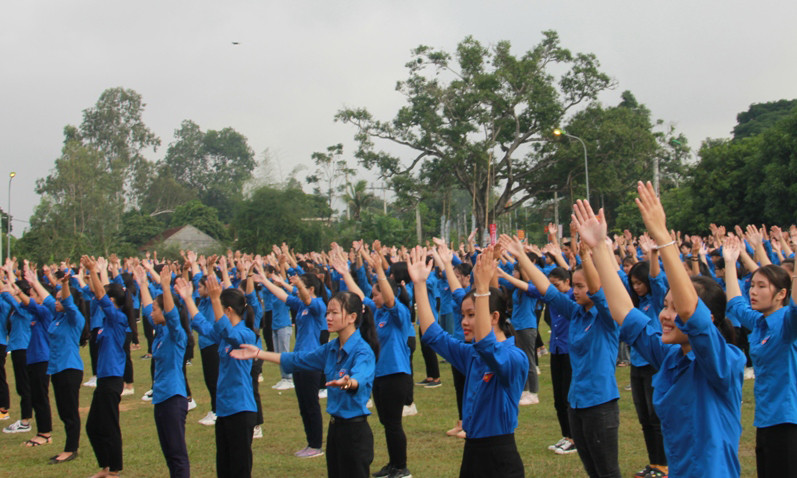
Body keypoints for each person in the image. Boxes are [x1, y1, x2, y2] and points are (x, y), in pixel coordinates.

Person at [571, 186, 744, 477]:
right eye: (665, 306)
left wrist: (663, 237)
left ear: (709, 319)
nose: (665, 315)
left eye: (674, 308)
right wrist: (600, 248)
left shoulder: (724, 361)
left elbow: (690, 313)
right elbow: (625, 313)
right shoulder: (672, 356)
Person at [500, 233, 621, 478]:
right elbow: (547, 291)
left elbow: (599, 292)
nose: (574, 291)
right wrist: (522, 256)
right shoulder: (576, 313)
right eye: (573, 285)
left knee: (607, 471)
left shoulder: (606, 317)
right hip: (577, 403)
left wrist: (586, 255)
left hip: (600, 404)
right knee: (592, 469)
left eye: (580, 286)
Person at [232, 290, 380, 478]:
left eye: (334, 313)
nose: (328, 317)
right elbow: (297, 359)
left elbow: (361, 376)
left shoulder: (362, 351)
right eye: (327, 312)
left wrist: (349, 382)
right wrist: (259, 353)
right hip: (336, 430)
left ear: (352, 317)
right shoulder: (331, 348)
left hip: (355, 433)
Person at [411, 245, 527, 478]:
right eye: (463, 315)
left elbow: (488, 345)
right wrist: (420, 284)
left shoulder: (514, 358)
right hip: (473, 452)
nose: (464, 322)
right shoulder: (471, 353)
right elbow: (432, 334)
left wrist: (483, 287)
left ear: (494, 317)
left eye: (471, 315)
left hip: (499, 457)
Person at [723, 228, 797, 477]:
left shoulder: (788, 322)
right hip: (765, 419)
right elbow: (735, 302)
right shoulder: (759, 322)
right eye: (752, 285)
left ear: (781, 294)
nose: (753, 291)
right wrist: (730, 262)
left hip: (788, 421)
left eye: (761, 286)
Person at [188, 273, 257, 478]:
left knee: (239, 468)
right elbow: (202, 325)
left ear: (227, 310)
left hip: (241, 409)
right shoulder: (224, 334)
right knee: (224, 467)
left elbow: (228, 333)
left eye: (219, 308)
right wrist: (186, 298)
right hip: (225, 410)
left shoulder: (246, 335)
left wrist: (215, 299)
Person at [257, 269, 326, 458]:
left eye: (301, 286)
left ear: (311, 288)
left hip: (311, 361)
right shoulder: (301, 305)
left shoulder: (317, 305)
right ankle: (310, 443)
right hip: (298, 359)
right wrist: (265, 280)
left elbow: (306, 297)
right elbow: (282, 296)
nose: (296, 289)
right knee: (303, 405)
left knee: (311, 404)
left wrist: (298, 285)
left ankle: (316, 445)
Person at [137, 266, 189, 478]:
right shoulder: (160, 332)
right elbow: (150, 306)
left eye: (156, 310)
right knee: (168, 453)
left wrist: (166, 288)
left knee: (177, 454)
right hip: (161, 398)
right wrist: (142, 283)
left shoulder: (176, 334)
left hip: (173, 397)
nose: (151, 312)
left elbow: (172, 316)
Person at [365, 251, 413, 478]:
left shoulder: (398, 313)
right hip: (380, 374)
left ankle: (401, 467)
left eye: (376, 295)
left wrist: (380, 273)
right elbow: (360, 298)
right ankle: (393, 464)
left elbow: (390, 298)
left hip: (396, 374)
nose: (373, 298)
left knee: (393, 423)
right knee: (386, 422)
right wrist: (346, 273)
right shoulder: (378, 314)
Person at [82, 255, 129, 478]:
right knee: (93, 427)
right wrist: (92, 274)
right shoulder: (107, 322)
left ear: (113, 301)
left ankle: (114, 471)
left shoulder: (118, 319)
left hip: (112, 379)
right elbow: (98, 293)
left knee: (110, 425)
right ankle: (105, 467)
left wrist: (94, 270)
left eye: (106, 300)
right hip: (103, 379)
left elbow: (100, 295)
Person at [47, 271, 85, 464]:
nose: (56, 302)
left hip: (70, 369)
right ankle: (69, 446)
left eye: (59, 299)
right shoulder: (58, 319)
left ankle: (71, 449)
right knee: (63, 411)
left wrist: (64, 285)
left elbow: (69, 303)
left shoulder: (74, 318)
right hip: (56, 369)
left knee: (70, 412)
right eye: (56, 299)